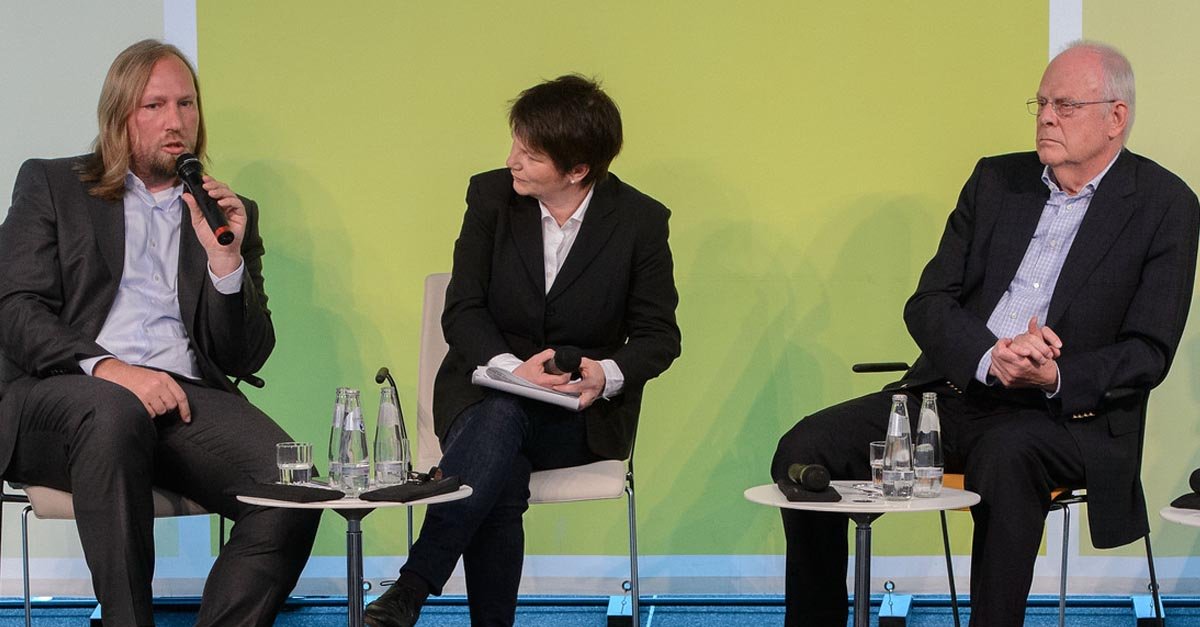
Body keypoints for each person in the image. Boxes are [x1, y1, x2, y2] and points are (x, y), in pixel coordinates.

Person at [772, 41, 1199, 626]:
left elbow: (1149, 350)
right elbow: (928, 302)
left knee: (1006, 454)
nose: (1046, 117)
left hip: (1064, 418)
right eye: (1041, 103)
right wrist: (988, 355)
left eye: (1066, 106)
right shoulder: (996, 179)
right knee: (803, 446)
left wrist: (1053, 374)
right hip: (956, 392)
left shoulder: (1165, 205)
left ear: (1115, 118)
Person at [0, 40, 320, 626]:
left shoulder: (227, 213)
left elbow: (246, 355)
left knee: (291, 487)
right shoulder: (52, 184)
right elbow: (16, 309)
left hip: (182, 398)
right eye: (155, 106)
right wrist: (114, 370)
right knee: (115, 410)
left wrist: (226, 263)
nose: (176, 122)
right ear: (120, 115)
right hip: (66, 392)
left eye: (186, 104)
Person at [365, 75, 682, 627]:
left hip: (576, 415)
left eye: (531, 154)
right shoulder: (490, 198)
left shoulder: (640, 221)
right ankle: (416, 588)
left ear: (577, 170)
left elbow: (659, 336)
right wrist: (514, 371)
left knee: (500, 471)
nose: (512, 160)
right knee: (502, 421)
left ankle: (412, 586)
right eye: (515, 142)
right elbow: (462, 310)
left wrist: (604, 373)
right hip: (479, 395)